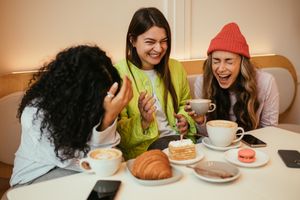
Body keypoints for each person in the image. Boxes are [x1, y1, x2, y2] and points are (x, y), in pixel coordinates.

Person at [10, 45, 133, 187]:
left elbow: (105, 155)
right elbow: (85, 163)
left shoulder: (90, 106)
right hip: (34, 179)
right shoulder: (35, 114)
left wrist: (108, 119)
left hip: (75, 171)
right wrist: (109, 117)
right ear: (77, 94)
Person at [114, 7, 197, 160]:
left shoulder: (176, 68)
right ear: (132, 40)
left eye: (164, 42)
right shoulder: (118, 74)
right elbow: (118, 134)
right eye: (150, 42)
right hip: (145, 154)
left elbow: (186, 105)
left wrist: (185, 120)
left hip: (180, 144)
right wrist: (143, 121)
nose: (159, 49)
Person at [185, 22, 279, 135]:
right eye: (216, 61)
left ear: (242, 63)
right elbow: (205, 136)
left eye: (229, 61)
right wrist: (200, 121)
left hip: (251, 147)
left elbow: (270, 131)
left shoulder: (265, 82)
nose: (220, 69)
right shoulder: (203, 82)